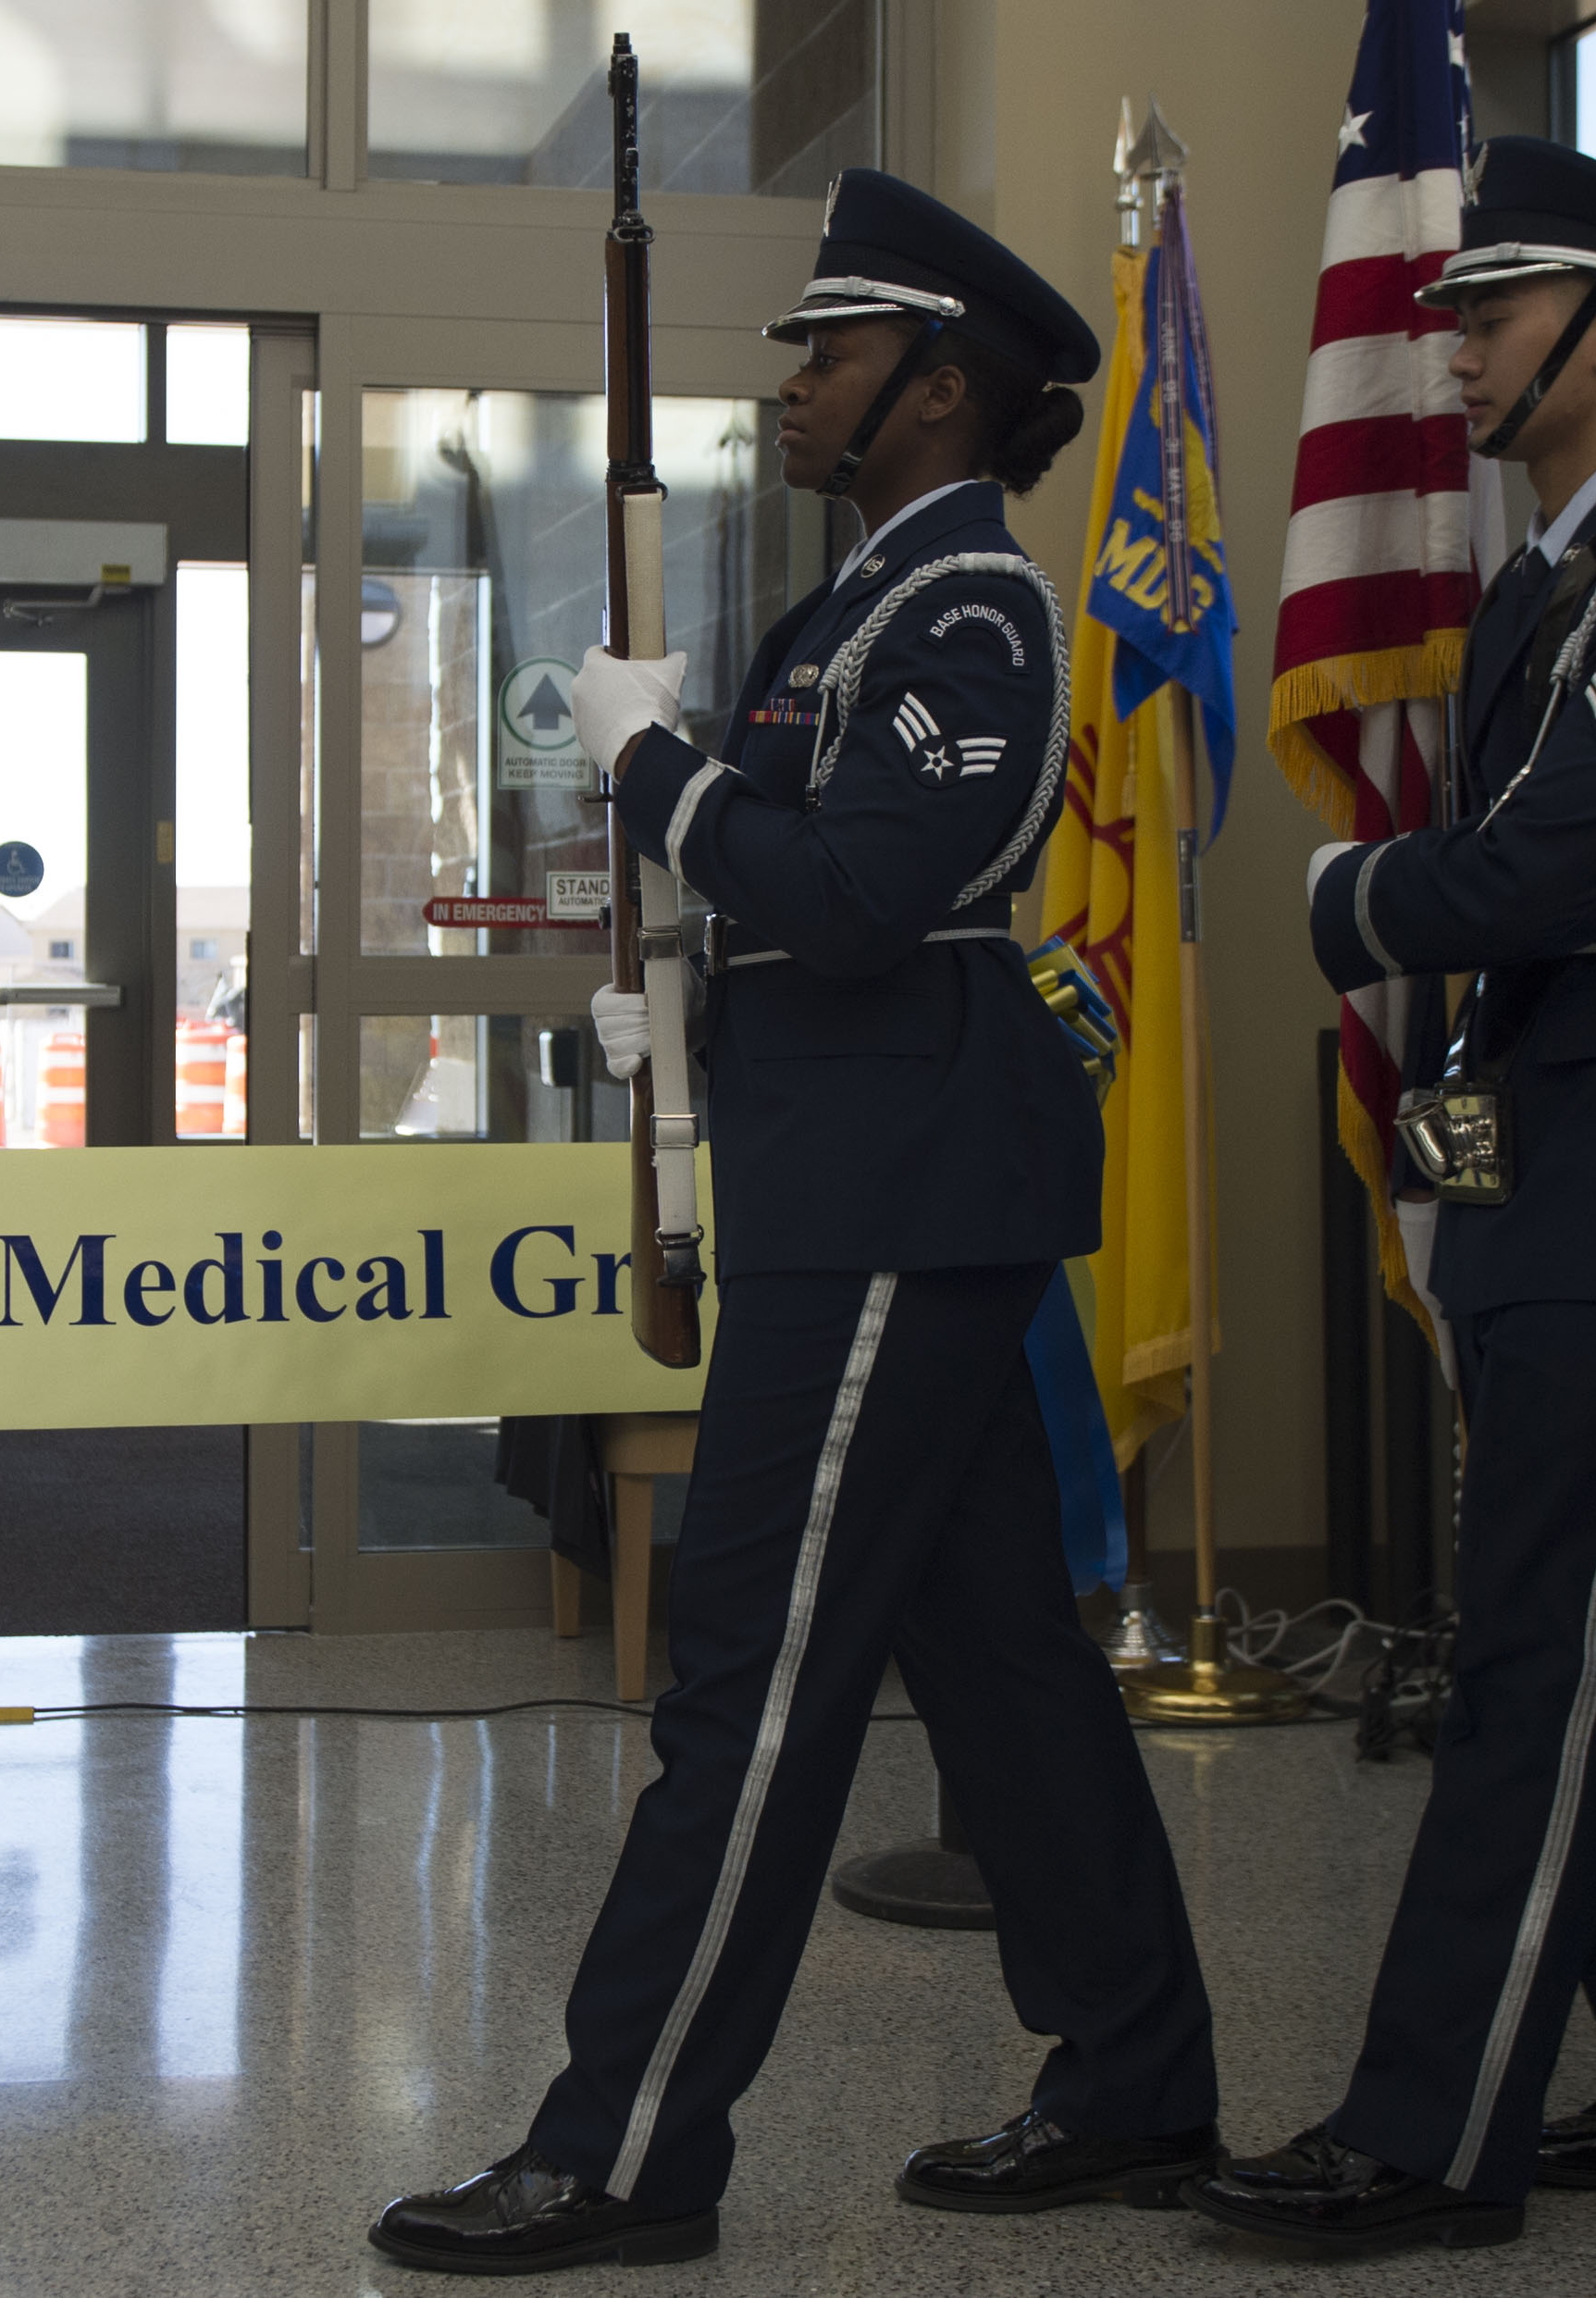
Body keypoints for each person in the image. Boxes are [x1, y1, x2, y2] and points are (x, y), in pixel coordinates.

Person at [363, 168, 1219, 2276]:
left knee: (743, 1685)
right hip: (850, 1171)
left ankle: (627, 2149)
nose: (791, 388)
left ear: (940, 388)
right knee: (1001, 1662)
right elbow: (790, 906)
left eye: (828, 354)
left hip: (894, 1202)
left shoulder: (971, 614)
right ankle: (1133, 2079)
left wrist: (656, 772)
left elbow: (848, 893)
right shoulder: (847, 613)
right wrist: (671, 965)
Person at [1182, 138, 1596, 2258]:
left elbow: (1531, 874)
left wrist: (1348, 889)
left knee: (1534, 1660)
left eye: (1491, 311)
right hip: (1563, 1140)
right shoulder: (1558, 585)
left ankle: (1428, 2127)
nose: (1450, 343)